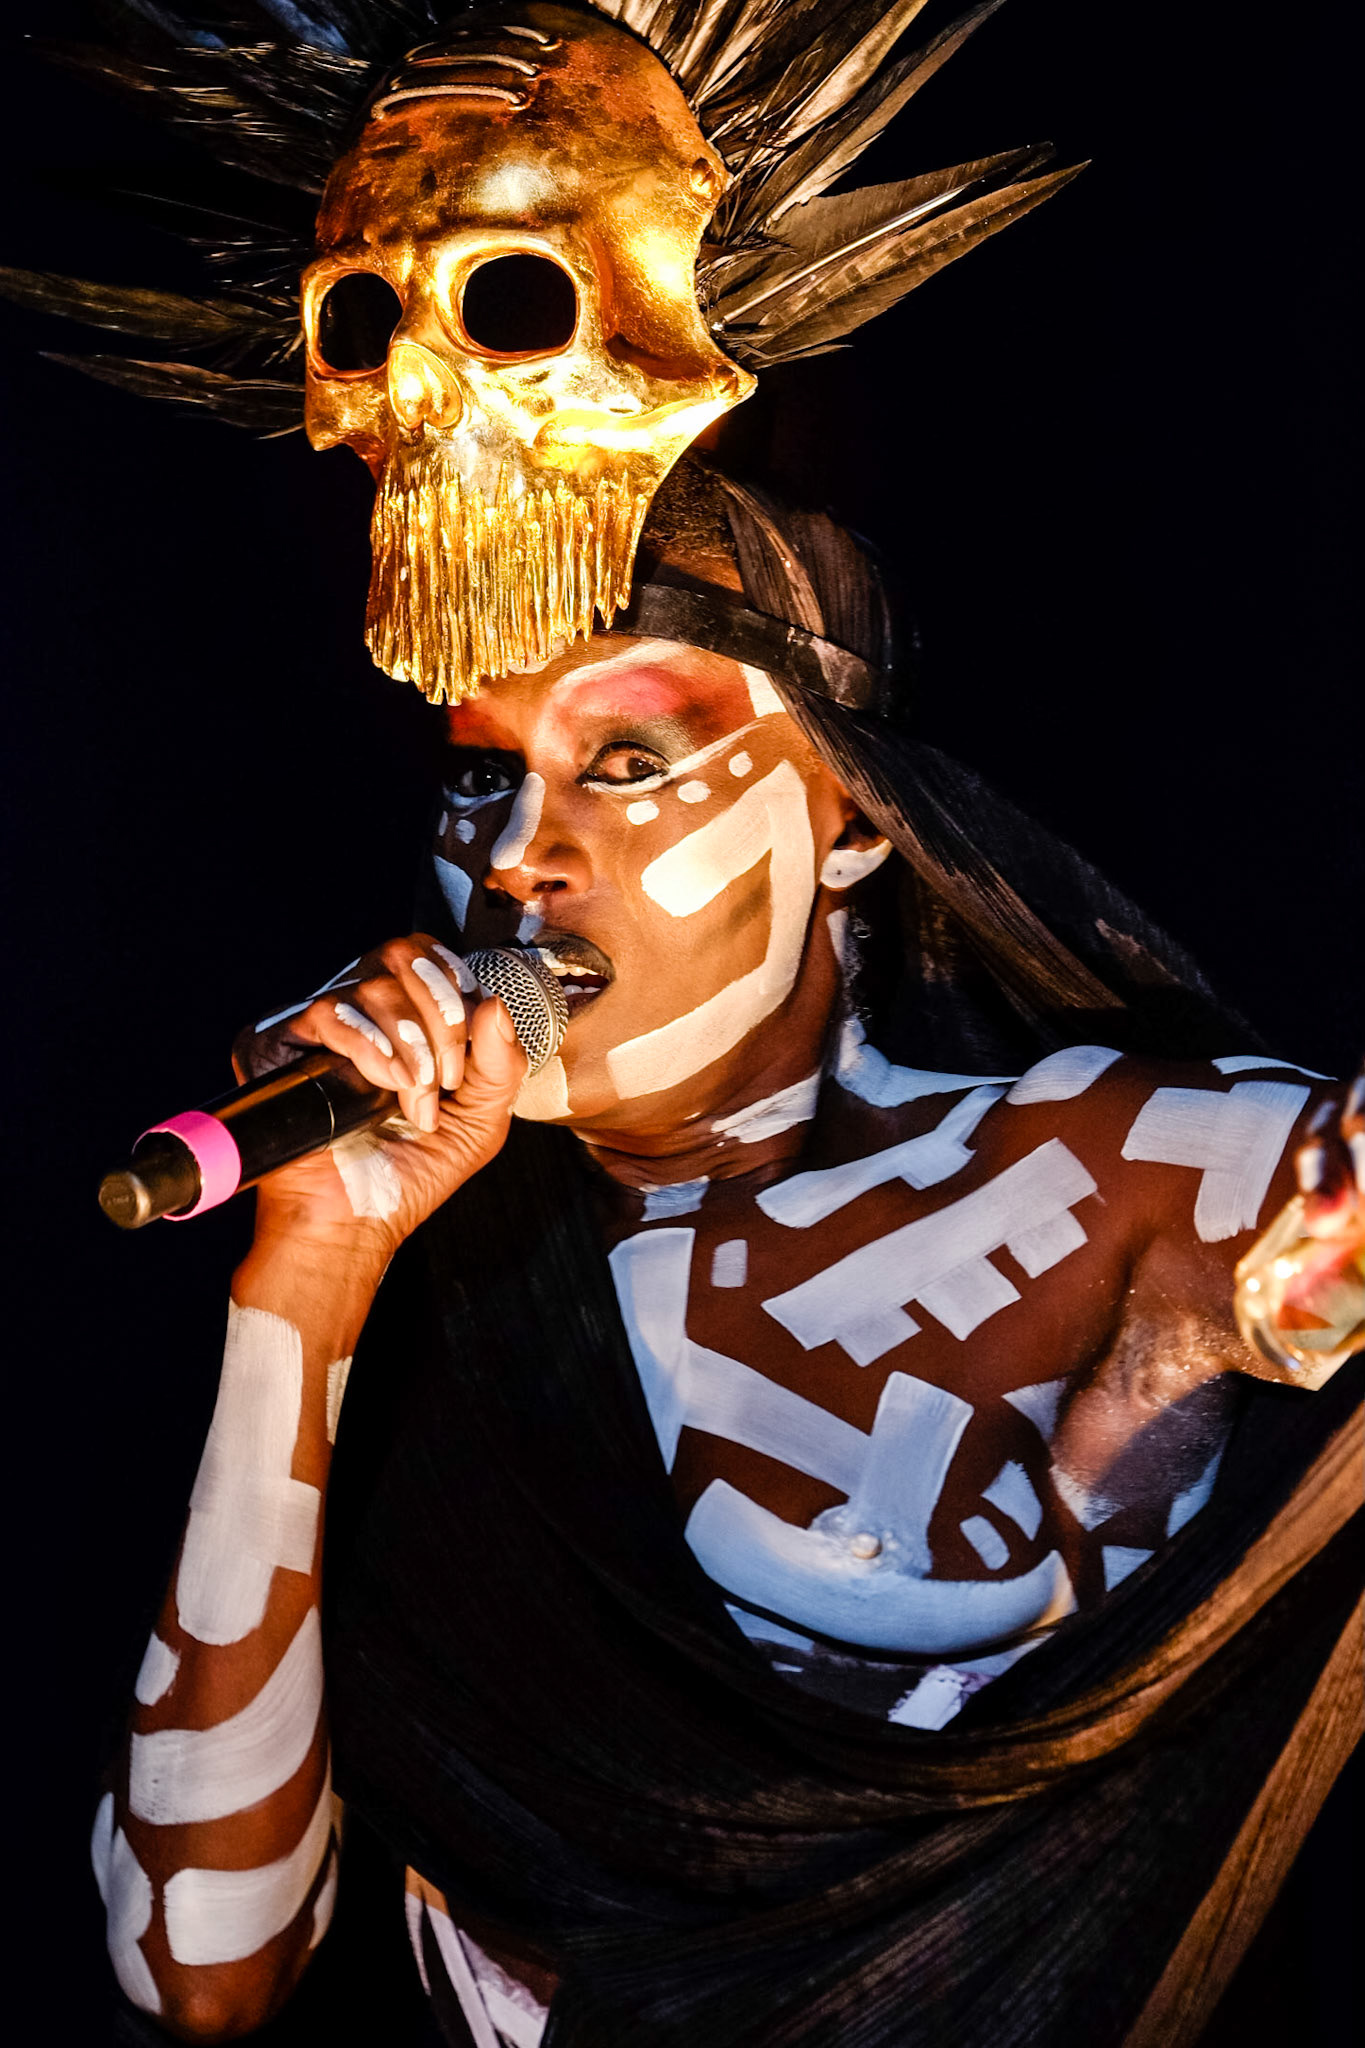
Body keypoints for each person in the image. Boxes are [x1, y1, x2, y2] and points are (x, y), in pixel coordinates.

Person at [10, 5, 1354, 2042]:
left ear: (845, 825)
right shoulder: (442, 1309)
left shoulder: (1134, 1167)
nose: (520, 865)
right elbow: (195, 1968)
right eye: (480, 782)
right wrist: (308, 1283)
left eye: (626, 766)